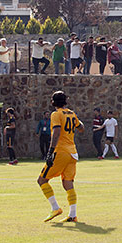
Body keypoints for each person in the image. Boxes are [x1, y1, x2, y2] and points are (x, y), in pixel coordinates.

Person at [36, 90, 85, 222]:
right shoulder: (71, 113)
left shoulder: (56, 114)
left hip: (61, 151)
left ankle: (55, 208)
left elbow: (56, 132)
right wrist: (75, 125)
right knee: (68, 183)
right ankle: (73, 214)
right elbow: (81, 127)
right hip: (73, 153)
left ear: (53, 102)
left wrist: (50, 151)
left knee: (42, 180)